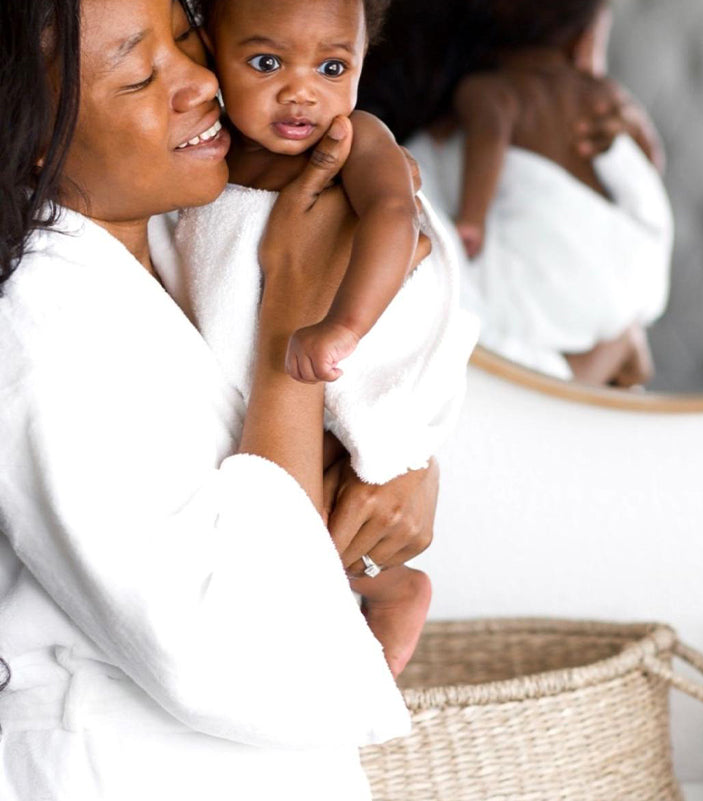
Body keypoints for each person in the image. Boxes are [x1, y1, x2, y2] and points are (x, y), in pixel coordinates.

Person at [0, 0, 438, 797]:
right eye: (140, 73)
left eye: (186, 33)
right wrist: (291, 322)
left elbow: (289, 500)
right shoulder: (33, 333)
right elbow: (237, 641)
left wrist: (398, 460)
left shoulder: (191, 247)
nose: (201, 81)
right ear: (31, 142)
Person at [184, 0, 478, 676]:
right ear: (208, 51)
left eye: (332, 66)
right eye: (265, 63)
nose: (302, 91)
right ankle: (374, 590)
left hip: (345, 345)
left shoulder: (353, 138)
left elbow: (393, 214)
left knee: (312, 503)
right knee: (286, 502)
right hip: (268, 356)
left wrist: (343, 324)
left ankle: (393, 585)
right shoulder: (206, 151)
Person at [361, 0, 673, 388]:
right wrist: (613, 348)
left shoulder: (490, 108)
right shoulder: (417, 171)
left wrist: (472, 218)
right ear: (582, 42)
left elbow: (488, 139)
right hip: (612, 316)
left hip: (581, 331)